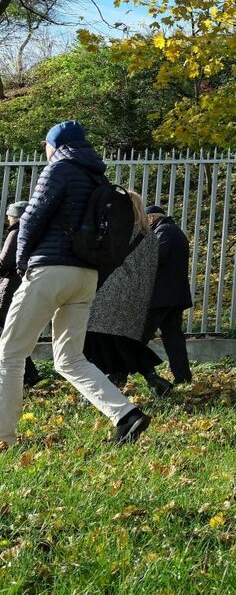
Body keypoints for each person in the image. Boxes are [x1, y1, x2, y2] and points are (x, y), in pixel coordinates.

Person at [0, 120, 150, 448]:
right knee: (70, 358)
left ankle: (4, 439)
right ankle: (126, 415)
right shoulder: (97, 176)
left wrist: (24, 264)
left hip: (50, 271)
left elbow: (32, 218)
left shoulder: (59, 170)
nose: (45, 150)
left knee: (9, 353)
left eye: (46, 144)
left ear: (57, 144)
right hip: (85, 276)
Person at [83, 190, 168, 394]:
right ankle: (153, 378)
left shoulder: (117, 230)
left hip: (108, 291)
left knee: (92, 340)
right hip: (136, 296)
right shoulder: (150, 236)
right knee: (124, 341)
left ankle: (95, 387)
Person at [144, 205, 193, 385]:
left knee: (138, 337)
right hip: (174, 297)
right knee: (174, 339)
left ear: (151, 217)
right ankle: (183, 376)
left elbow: (154, 259)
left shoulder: (163, 231)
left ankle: (121, 375)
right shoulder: (175, 231)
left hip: (160, 298)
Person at [0, 202, 40, 386]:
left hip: (12, 287)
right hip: (26, 284)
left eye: (9, 216)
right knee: (13, 333)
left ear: (14, 216)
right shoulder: (37, 232)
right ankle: (29, 376)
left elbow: (5, 262)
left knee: (8, 333)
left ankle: (28, 376)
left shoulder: (16, 232)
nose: (8, 219)